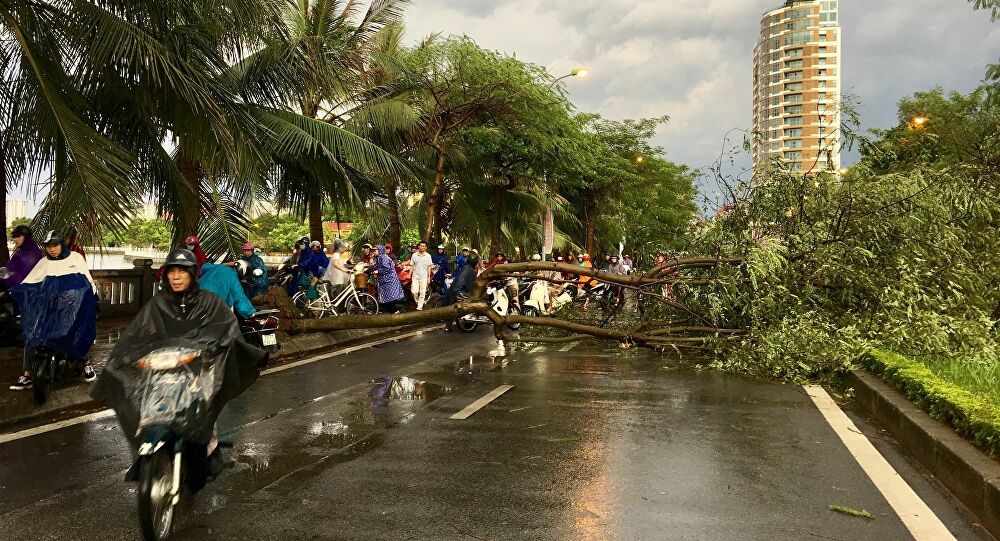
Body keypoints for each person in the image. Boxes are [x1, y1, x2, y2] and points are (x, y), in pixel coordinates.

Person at [91, 248, 264, 482]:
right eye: (171, 271)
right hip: (163, 369)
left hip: (197, 369)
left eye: (182, 272)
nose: (176, 277)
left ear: (192, 274)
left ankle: (208, 454)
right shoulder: (158, 304)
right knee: (145, 407)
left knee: (204, 413)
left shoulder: (209, 302)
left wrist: (208, 349)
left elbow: (225, 329)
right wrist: (132, 356)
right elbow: (140, 333)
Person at [10, 231, 98, 390]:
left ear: (62, 244)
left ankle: (85, 362)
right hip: (50, 309)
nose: (52, 249)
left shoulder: (75, 258)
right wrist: (19, 291)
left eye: (55, 245)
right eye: (48, 246)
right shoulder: (44, 262)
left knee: (79, 329)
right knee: (32, 335)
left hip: (71, 308)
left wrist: (90, 299)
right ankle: (27, 375)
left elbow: (87, 281)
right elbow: (31, 282)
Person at [440, 252, 480, 332]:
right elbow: (461, 281)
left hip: (456, 290)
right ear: (475, 262)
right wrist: (457, 291)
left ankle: (448, 326)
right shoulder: (468, 270)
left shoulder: (466, 268)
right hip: (461, 291)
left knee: (451, 309)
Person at [1, 225, 43, 289]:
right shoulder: (20, 252)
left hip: (25, 293)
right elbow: (10, 269)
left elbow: (24, 279)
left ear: (27, 237)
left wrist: (7, 276)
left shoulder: (33, 254)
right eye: (14, 236)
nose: (15, 239)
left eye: (18, 236)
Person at [372, 245, 405, 313]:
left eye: (375, 250)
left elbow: (387, 268)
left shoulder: (383, 258)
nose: (374, 252)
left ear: (380, 250)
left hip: (389, 280)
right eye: (373, 251)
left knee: (389, 298)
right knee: (387, 297)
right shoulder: (379, 257)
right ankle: (394, 312)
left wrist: (378, 271)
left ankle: (395, 311)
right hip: (385, 280)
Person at [409, 241, 434, 310]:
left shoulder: (428, 256)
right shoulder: (414, 255)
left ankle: (420, 307)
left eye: (424, 246)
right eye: (421, 245)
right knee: (414, 292)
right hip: (415, 276)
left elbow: (429, 267)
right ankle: (418, 302)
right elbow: (412, 265)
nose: (422, 247)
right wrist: (409, 274)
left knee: (422, 292)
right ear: (419, 246)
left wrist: (428, 277)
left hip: (424, 276)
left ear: (426, 247)